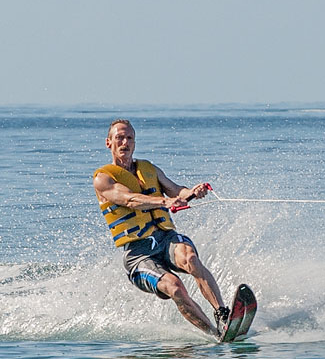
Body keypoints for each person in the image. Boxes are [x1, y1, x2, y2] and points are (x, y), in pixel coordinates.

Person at [93, 119, 227, 338]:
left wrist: (192, 192)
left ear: (134, 143)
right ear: (109, 143)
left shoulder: (150, 169)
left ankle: (222, 314)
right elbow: (129, 200)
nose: (125, 142)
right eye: (119, 138)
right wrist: (164, 202)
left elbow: (176, 190)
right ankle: (215, 334)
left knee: (191, 258)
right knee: (175, 287)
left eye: (129, 138)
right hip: (138, 256)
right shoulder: (103, 179)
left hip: (166, 239)